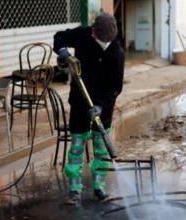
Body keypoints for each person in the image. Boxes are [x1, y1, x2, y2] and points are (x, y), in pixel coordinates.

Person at [53, 12, 124, 205]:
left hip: (103, 108)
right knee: (76, 147)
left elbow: (115, 87)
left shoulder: (116, 53)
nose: (106, 43)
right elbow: (59, 36)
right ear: (93, 31)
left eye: (109, 40)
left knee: (101, 150)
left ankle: (98, 189)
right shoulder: (83, 35)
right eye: (102, 39)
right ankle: (74, 190)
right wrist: (62, 50)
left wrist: (100, 105)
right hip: (79, 102)